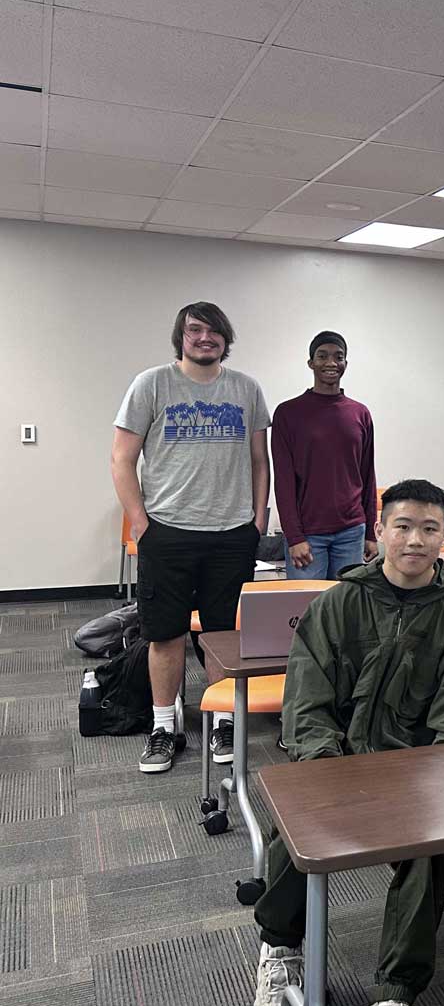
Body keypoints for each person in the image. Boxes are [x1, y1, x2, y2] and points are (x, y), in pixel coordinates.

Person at [252, 479, 444, 1006]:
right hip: (337, 765)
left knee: (433, 846)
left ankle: (393, 995)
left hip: (416, 775)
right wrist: (328, 773)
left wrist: (430, 782)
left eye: (429, 529)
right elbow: (306, 704)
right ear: (379, 531)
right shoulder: (338, 603)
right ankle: (279, 947)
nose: (415, 540)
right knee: (295, 828)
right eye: (402, 526)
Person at [111, 301, 269, 775]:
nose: (205, 337)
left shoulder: (246, 389)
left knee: (224, 635)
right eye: (194, 329)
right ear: (181, 337)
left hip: (231, 534)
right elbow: (121, 458)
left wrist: (258, 520)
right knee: (165, 635)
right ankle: (164, 727)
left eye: (214, 330)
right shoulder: (151, 384)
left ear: (226, 338)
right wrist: (140, 523)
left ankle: (222, 721)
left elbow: (259, 460)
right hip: (168, 532)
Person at [271, 331, 378, 584]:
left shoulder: (360, 413)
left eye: (338, 357)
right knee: (306, 606)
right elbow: (283, 481)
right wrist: (294, 536)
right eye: (322, 356)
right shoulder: (288, 413)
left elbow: (367, 476)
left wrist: (371, 532)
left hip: (352, 531)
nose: (331, 362)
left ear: (345, 363)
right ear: (311, 363)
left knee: (347, 606)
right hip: (308, 535)